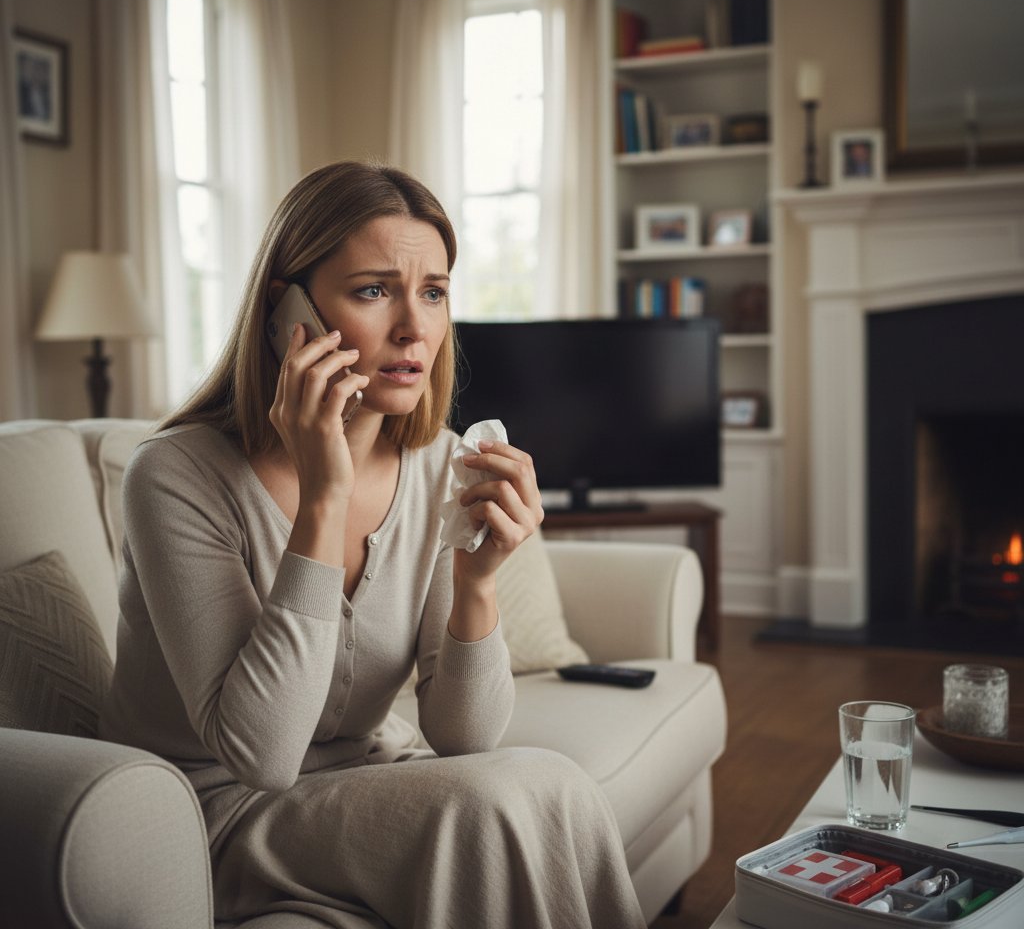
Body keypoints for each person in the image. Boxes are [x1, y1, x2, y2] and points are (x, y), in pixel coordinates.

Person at [100, 160, 646, 929]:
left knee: (548, 781)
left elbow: (463, 738)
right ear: (287, 313)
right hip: (216, 808)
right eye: (372, 291)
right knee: (490, 806)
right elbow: (260, 754)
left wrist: (477, 582)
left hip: (368, 778)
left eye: (432, 293)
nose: (414, 328)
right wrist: (324, 495)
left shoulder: (436, 464)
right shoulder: (175, 476)